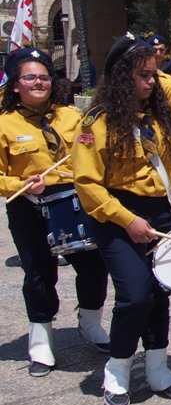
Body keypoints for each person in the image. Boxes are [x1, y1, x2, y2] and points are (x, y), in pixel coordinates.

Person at [71, 32, 171, 405]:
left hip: (160, 211)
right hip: (115, 215)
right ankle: (118, 369)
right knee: (134, 293)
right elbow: (88, 184)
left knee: (159, 293)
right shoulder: (97, 122)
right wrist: (127, 221)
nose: (151, 82)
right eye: (143, 75)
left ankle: (157, 368)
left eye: (153, 75)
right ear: (121, 76)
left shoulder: (160, 119)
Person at [0, 47, 110, 378]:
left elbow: (94, 151)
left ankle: (90, 325)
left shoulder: (72, 117)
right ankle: (41, 341)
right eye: (30, 77)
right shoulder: (4, 124)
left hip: (75, 200)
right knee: (39, 273)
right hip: (28, 205)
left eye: (44, 76)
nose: (38, 82)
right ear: (16, 84)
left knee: (94, 265)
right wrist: (19, 182)